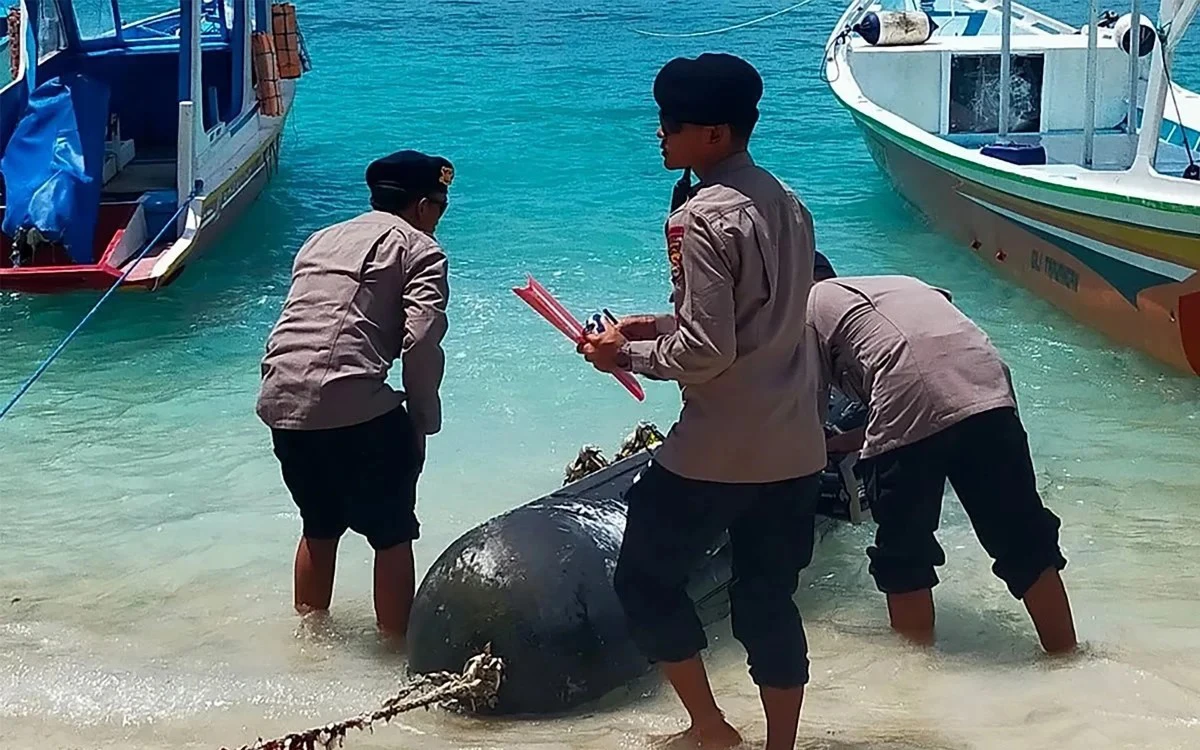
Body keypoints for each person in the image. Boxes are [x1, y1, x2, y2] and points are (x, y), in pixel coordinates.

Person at [579, 53, 827, 750]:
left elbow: (707, 352)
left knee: (644, 583)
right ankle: (781, 743)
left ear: (713, 134)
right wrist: (651, 324)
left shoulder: (699, 217)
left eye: (671, 123)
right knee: (768, 599)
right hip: (795, 444)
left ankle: (710, 727)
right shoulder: (788, 201)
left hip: (717, 449)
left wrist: (620, 356)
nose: (659, 134)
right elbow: (763, 318)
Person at [807, 258, 1077, 654]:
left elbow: (805, 414)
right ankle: (1066, 654)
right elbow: (932, 380)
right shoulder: (898, 282)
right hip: (987, 383)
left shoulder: (805, 309)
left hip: (907, 389)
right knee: (1024, 540)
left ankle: (918, 676)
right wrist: (842, 442)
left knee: (904, 553)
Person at [255, 149, 453, 639]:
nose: (439, 220)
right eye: (440, 207)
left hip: (282, 400)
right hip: (351, 403)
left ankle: (310, 647)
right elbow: (421, 340)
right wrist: (422, 420)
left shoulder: (320, 239)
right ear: (423, 206)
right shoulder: (420, 249)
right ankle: (394, 652)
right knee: (392, 534)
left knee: (319, 526)